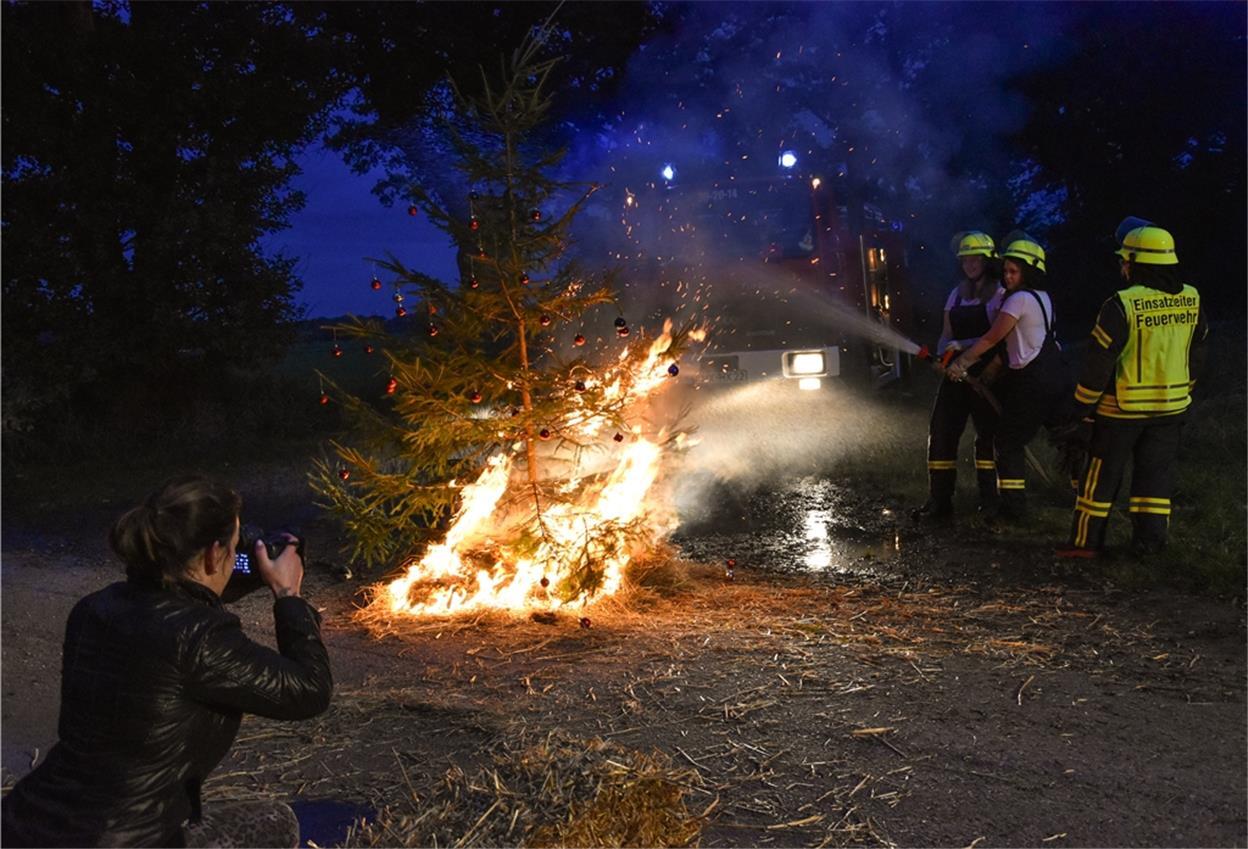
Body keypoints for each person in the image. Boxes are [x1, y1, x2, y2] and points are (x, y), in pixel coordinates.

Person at [1, 475, 332, 848]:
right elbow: (309, 690)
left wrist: (243, 572)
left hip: (25, 823)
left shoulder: (94, 609)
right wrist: (288, 594)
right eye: (235, 545)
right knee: (274, 822)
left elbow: (182, 595)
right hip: (124, 841)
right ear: (213, 554)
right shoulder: (199, 637)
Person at [1055, 222, 1207, 558]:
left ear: (1138, 262)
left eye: (1126, 260)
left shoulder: (1121, 304)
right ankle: (1149, 546)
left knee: (1100, 478)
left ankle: (1085, 544)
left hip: (1120, 410)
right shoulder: (1192, 298)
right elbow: (1197, 351)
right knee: (1154, 480)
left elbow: (1098, 364)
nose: (1123, 266)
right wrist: (1186, 388)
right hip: (1171, 408)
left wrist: (1081, 407)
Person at [947, 232, 1066, 521]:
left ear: (1029, 272)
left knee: (1007, 442)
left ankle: (1014, 510)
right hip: (1055, 377)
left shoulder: (1018, 299)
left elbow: (992, 337)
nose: (1008, 276)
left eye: (1014, 271)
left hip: (1031, 382)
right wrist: (966, 349)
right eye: (1006, 271)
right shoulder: (1043, 298)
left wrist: (960, 363)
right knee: (1065, 438)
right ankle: (1079, 493)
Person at [913, 230, 1004, 523]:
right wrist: (943, 358)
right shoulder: (956, 294)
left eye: (975, 258)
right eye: (965, 259)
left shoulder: (1000, 293)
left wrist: (964, 351)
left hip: (984, 376)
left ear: (988, 261)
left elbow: (996, 337)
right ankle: (939, 501)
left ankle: (991, 502)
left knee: (987, 438)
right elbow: (946, 334)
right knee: (941, 431)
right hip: (955, 375)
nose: (970, 264)